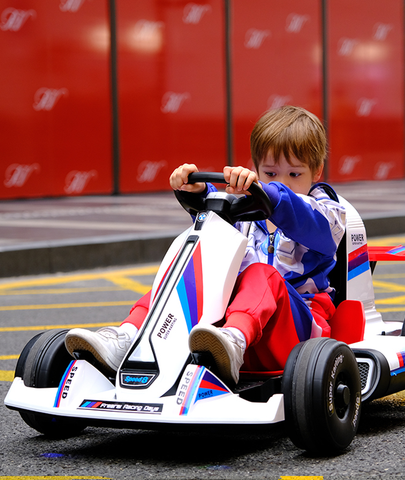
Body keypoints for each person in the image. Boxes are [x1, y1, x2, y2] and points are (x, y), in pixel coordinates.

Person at [65, 105, 346, 385]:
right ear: (256, 169)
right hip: (234, 326)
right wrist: (198, 192)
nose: (281, 182)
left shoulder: (328, 213)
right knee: (183, 275)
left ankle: (234, 340)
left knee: (262, 273)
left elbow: (304, 217)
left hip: (300, 333)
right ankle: (128, 337)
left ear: (316, 171)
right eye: (270, 174)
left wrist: (272, 193)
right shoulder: (248, 208)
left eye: (294, 175)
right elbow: (217, 217)